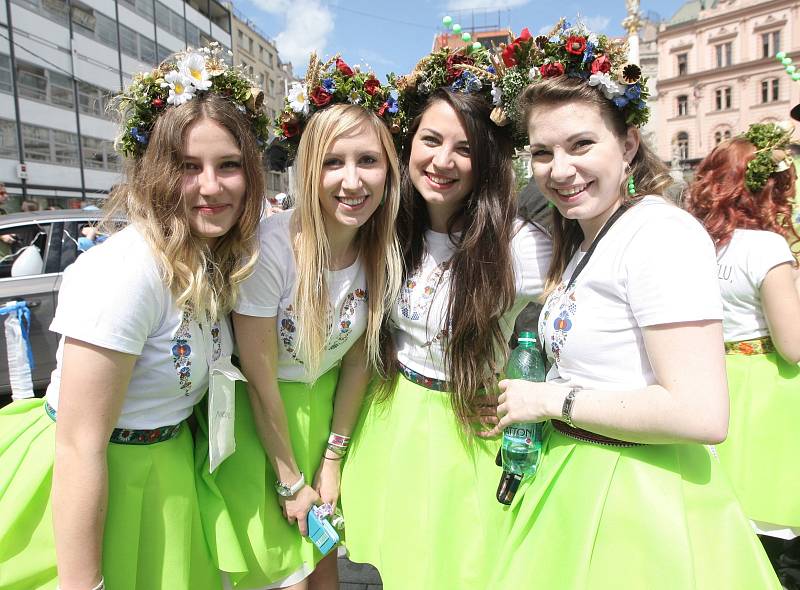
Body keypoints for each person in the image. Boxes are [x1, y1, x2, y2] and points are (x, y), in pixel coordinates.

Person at [487, 21, 780, 589]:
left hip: (638, 505)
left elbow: (700, 414)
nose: (559, 169)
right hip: (581, 481)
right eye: (542, 152)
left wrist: (550, 398)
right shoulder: (593, 235)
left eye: (581, 144)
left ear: (627, 144)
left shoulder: (660, 235)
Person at [0, 44, 268, 590]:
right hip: (94, 488)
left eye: (229, 165)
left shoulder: (213, 256)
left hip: (164, 476)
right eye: (188, 167)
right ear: (155, 171)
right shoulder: (125, 272)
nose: (211, 187)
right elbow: (79, 445)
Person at [340, 44, 552, 590]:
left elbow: (580, 324)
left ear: (487, 160)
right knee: (393, 561)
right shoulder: (384, 227)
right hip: (389, 417)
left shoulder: (522, 247)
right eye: (430, 140)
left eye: (464, 148)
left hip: (468, 431)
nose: (442, 161)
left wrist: (525, 394)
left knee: (460, 568)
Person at [194, 55, 403, 589]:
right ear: (309, 167)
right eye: (333, 162)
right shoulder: (271, 249)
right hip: (259, 433)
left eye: (368, 161)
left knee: (325, 575)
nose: (352, 181)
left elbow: (358, 361)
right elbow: (261, 382)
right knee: (275, 579)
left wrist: (332, 459)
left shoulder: (384, 251)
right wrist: (290, 479)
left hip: (324, 426)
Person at [687, 122, 800, 589]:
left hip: (712, 379)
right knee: (778, 537)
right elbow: (793, 346)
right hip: (767, 393)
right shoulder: (768, 247)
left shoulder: (694, 244)